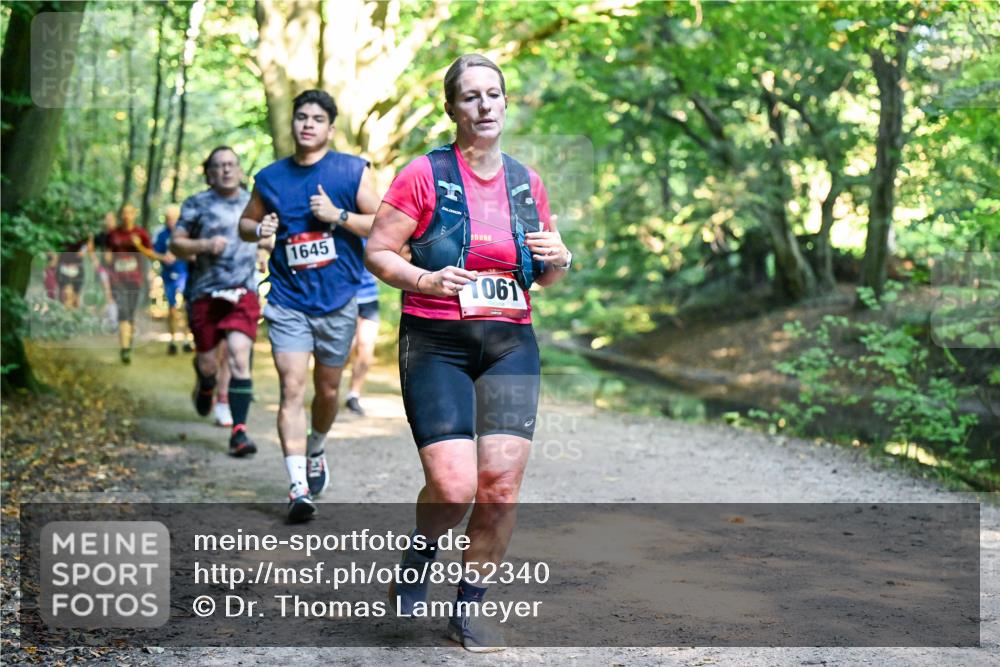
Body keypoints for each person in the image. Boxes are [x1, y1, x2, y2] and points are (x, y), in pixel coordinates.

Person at [365, 54, 572, 652]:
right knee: (454, 488)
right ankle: (423, 547)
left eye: (494, 95)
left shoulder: (526, 183)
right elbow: (379, 252)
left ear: (507, 104)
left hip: (510, 343)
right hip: (436, 344)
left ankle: (471, 607)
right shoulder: (423, 175)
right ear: (452, 108)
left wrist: (560, 261)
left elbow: (546, 273)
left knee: (500, 486)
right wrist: (425, 281)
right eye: (471, 97)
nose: (484, 106)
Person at [239, 89, 380, 522]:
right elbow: (246, 224)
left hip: (338, 301)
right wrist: (257, 227)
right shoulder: (269, 177)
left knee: (328, 391)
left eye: (317, 119)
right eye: (301, 117)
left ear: (330, 128)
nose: (307, 124)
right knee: (292, 388)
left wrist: (337, 216)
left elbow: (383, 224)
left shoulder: (352, 171)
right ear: (293, 123)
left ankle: (316, 446)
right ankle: (298, 486)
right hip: (287, 300)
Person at [171, 146, 260, 457]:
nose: (225, 170)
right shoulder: (197, 204)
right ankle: (206, 383)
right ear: (209, 173)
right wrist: (205, 244)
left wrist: (263, 253)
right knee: (209, 362)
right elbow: (177, 244)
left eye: (231, 164)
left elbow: (267, 236)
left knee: (238, 355)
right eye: (219, 166)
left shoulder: (254, 201)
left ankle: (239, 432)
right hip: (205, 293)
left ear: (239, 170)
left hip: (243, 292)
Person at [105, 203, 153, 364]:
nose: (126, 216)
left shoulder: (141, 233)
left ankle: (128, 344)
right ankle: (124, 349)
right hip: (117, 280)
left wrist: (138, 245)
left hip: (135, 280)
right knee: (123, 311)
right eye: (124, 213)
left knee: (130, 314)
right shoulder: (113, 234)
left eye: (129, 213)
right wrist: (107, 260)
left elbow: (151, 255)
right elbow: (108, 254)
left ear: (134, 214)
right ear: (121, 215)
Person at [152, 204, 192, 355]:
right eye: (168, 219)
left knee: (187, 307)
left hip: (185, 274)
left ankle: (188, 339)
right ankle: (173, 340)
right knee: (172, 308)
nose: (171, 222)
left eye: (174, 219)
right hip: (168, 276)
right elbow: (154, 253)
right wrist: (163, 257)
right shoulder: (162, 235)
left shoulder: (186, 234)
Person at [343, 264, 379, 416]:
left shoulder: (373, 239)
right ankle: (329, 390)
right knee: (346, 348)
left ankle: (353, 395)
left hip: (369, 298)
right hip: (344, 297)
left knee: (366, 346)